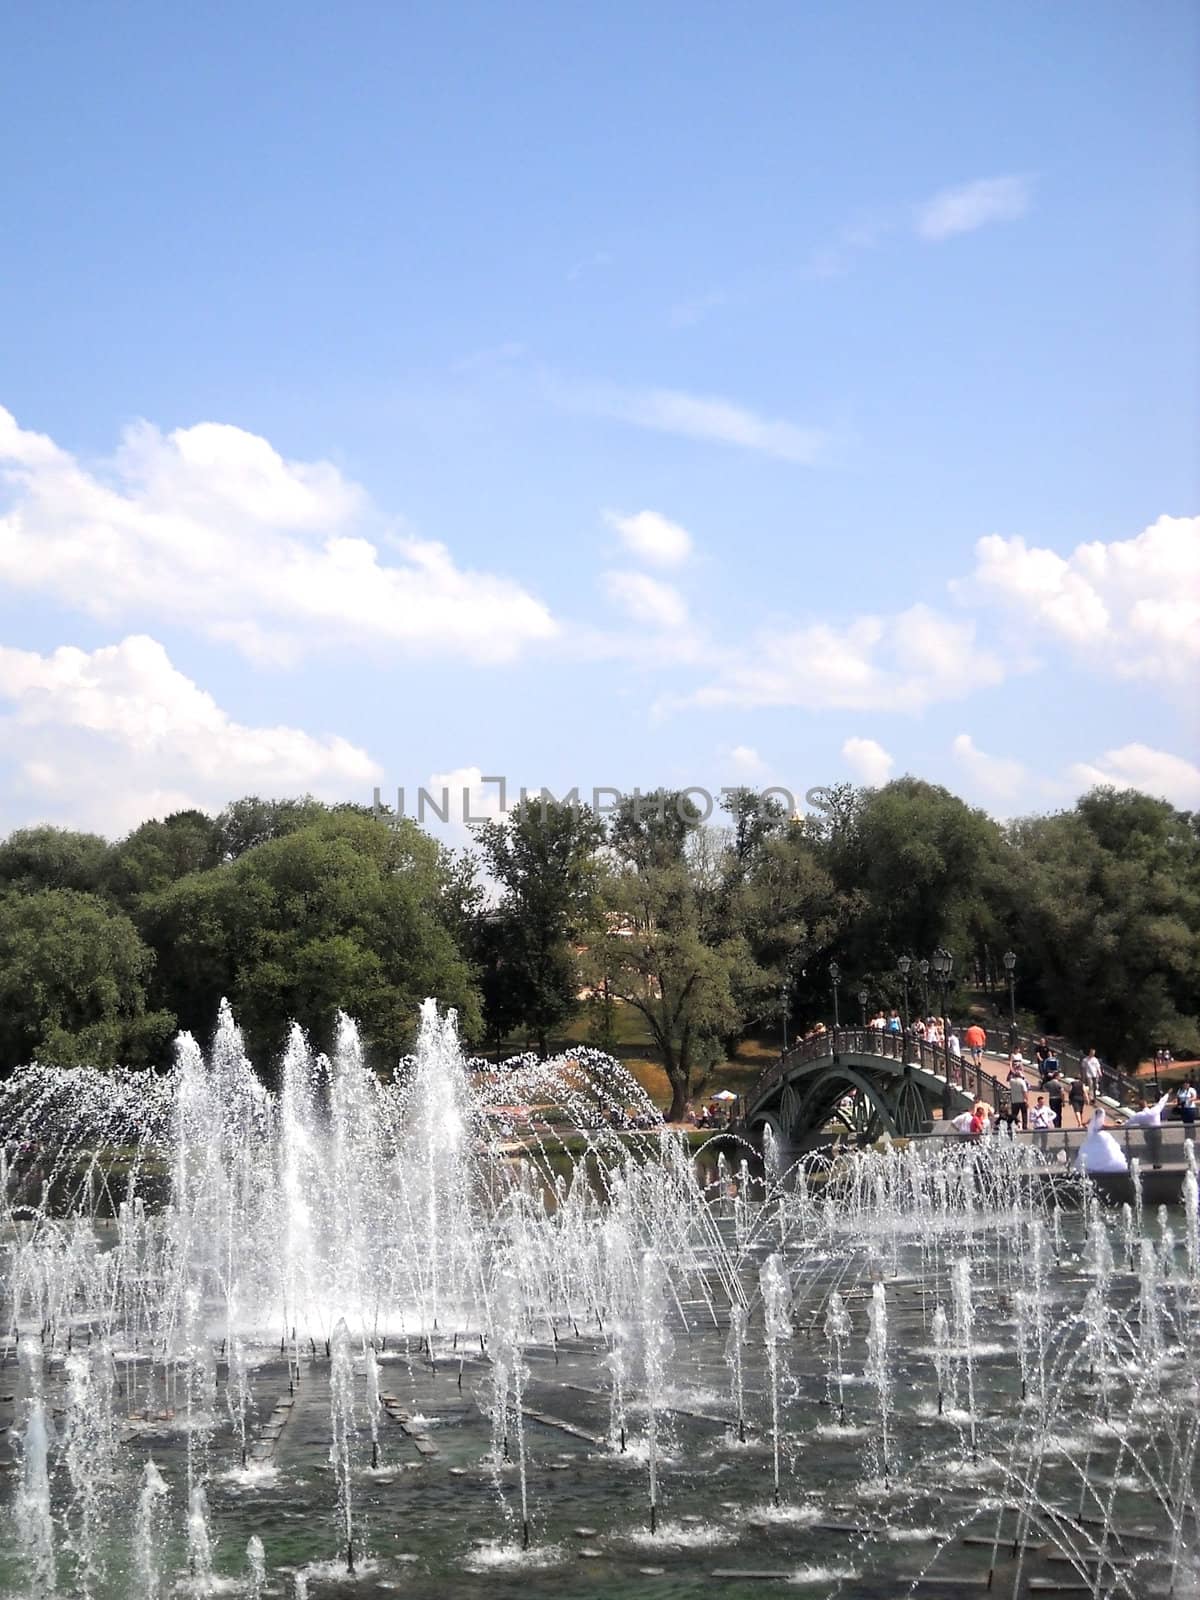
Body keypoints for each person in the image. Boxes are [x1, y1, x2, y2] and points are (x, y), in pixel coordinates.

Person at [1125, 1091, 1171, 1169]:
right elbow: (1162, 1102)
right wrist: (1167, 1094)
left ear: (1140, 1107)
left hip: (1147, 1133)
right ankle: (1157, 1163)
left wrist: (1119, 1123)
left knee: (1151, 1147)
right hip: (1157, 1131)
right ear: (1146, 1105)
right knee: (1157, 1147)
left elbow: (1128, 1123)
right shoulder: (1155, 1111)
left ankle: (1153, 1161)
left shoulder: (1139, 1115)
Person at [1075, 1108, 1127, 1175]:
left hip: (1094, 1136)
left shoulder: (1092, 1120)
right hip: (1100, 1137)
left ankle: (1091, 1166)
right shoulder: (1099, 1121)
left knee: (1092, 1151)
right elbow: (1104, 1126)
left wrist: (1087, 1126)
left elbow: (1084, 1123)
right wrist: (1116, 1125)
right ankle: (1107, 1166)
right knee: (1107, 1150)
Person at [1008, 1058, 1029, 1130]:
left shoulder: (1012, 1081)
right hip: (1022, 1100)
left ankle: (1012, 1126)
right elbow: (1025, 1091)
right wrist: (1026, 1100)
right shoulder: (1022, 1082)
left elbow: (1009, 1078)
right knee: (1024, 1114)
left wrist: (1013, 1069)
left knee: (1014, 1115)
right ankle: (1025, 1127)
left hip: (1014, 1100)